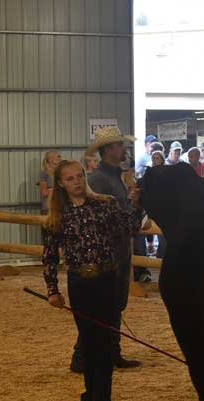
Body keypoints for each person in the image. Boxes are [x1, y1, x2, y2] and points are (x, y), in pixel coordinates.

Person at [43, 160, 147, 401]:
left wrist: (136, 204)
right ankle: (90, 395)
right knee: (88, 339)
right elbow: (50, 256)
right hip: (79, 281)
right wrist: (52, 289)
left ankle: (103, 399)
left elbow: (129, 227)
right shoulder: (58, 215)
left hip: (106, 279)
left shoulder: (105, 204)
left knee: (105, 339)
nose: (77, 182)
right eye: (70, 179)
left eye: (80, 176)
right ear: (60, 183)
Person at [82, 126, 143, 371]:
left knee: (115, 303)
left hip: (119, 248)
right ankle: (86, 356)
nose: (124, 149)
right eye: (120, 145)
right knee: (105, 305)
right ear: (108, 150)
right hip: (109, 250)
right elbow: (102, 218)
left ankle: (111, 352)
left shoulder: (114, 177)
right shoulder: (100, 180)